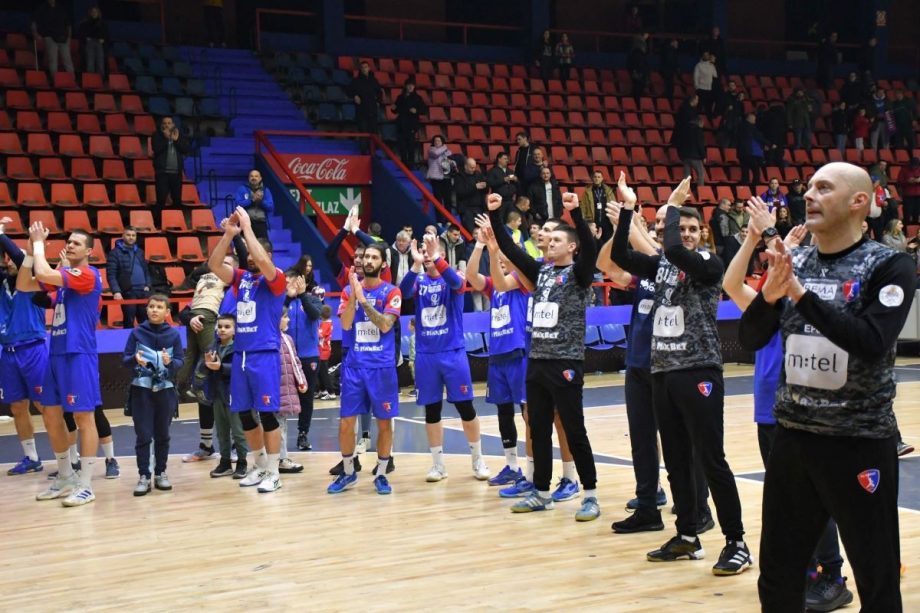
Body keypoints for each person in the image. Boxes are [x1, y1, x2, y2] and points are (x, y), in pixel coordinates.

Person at [739, 162, 916, 611]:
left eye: (824, 187)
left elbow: (871, 341)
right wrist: (772, 295)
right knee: (778, 576)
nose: (809, 195)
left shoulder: (889, 265)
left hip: (859, 441)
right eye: (810, 187)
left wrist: (799, 294)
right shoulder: (794, 260)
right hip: (793, 438)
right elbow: (751, 337)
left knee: (877, 578)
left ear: (859, 201)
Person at [611, 178, 752, 575]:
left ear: (702, 234)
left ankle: (737, 542)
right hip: (662, 372)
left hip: (699, 371)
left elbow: (673, 249)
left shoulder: (709, 264)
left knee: (711, 459)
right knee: (675, 461)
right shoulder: (661, 266)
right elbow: (620, 255)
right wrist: (628, 210)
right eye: (681, 227)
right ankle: (687, 536)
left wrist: (673, 206)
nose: (686, 233)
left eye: (693, 228)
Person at [724, 198, 854, 611]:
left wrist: (773, 238)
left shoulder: (805, 304)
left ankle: (833, 575)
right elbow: (731, 284)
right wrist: (751, 240)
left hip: (804, 410)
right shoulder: (767, 305)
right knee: (791, 501)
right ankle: (809, 571)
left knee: (818, 497)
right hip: (769, 411)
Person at [487, 192, 601, 521]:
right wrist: (495, 215)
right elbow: (510, 250)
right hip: (537, 361)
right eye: (548, 240)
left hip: (566, 362)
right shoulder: (541, 272)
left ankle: (590, 495)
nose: (549, 243)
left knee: (574, 430)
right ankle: (541, 492)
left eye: (557, 240)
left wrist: (574, 213)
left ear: (572, 247)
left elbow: (591, 248)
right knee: (538, 428)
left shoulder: (579, 274)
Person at [208, 207, 287, 494]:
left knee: (266, 415)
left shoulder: (276, 278)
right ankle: (260, 465)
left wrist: (248, 229)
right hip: (241, 354)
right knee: (243, 414)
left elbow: (262, 260)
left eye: (255, 254)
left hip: (264, 354)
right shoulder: (241, 278)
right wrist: (229, 235)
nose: (251, 258)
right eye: (249, 255)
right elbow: (214, 265)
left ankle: (275, 472)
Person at [399, 234, 490, 482]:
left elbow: (457, 284)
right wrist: (416, 264)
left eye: (431, 251)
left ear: (440, 253)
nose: (427, 254)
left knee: (465, 407)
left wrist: (437, 257)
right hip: (426, 356)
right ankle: (438, 465)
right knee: (432, 410)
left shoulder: (453, 277)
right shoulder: (419, 281)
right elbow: (403, 292)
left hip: (453, 354)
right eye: (424, 251)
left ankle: (478, 460)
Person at [23, 225, 103, 507]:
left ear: (89, 251)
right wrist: (30, 254)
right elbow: (26, 284)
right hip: (56, 353)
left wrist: (38, 244)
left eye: (76, 243)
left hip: (78, 353)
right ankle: (66, 476)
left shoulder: (88, 275)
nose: (70, 245)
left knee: (84, 418)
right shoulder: (66, 285)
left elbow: (45, 274)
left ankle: (86, 485)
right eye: (68, 242)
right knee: (50, 414)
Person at [328, 244, 401, 495]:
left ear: (383, 264)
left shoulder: (392, 291)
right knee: (346, 422)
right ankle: (349, 472)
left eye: (374, 257)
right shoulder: (348, 290)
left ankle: (381, 474)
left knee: (384, 424)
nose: (367, 260)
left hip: (381, 367)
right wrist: (354, 297)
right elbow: (346, 324)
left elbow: (385, 325)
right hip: (354, 367)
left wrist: (363, 301)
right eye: (365, 256)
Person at [465, 219, 529, 486]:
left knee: (528, 413)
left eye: (506, 258)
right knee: (504, 412)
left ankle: (534, 469)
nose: (501, 261)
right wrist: (480, 245)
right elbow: (471, 276)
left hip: (519, 354)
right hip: (498, 357)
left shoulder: (522, 280)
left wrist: (498, 247)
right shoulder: (495, 287)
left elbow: (511, 267)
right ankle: (511, 466)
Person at [0, 219, 48, 476]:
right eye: (6, 258)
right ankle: (31, 457)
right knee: (17, 406)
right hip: (8, 352)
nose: (10, 260)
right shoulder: (2, 284)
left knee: (44, 404)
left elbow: (20, 258)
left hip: (33, 349)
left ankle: (68, 457)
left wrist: (1, 234)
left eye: (12, 257)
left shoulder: (31, 279)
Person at [123, 295, 183, 496]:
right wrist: (135, 359)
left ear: (167, 312)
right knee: (143, 435)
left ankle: (160, 473)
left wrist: (169, 362)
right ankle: (144, 476)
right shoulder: (136, 333)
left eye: (159, 307)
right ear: (146, 310)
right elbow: (125, 360)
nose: (154, 310)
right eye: (151, 306)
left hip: (166, 391)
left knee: (163, 435)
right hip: (141, 391)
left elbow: (180, 362)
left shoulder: (173, 335)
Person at [203, 314, 249, 479]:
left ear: (235, 330)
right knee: (221, 431)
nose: (222, 329)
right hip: (217, 394)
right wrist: (207, 365)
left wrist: (221, 367)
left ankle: (242, 462)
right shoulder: (212, 346)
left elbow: (242, 367)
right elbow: (205, 368)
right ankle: (225, 462)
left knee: (238, 431)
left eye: (227, 327)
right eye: (220, 326)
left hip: (234, 394)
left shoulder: (240, 347)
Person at [284, 271, 322, 451]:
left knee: (306, 397)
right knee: (282, 394)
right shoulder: (281, 302)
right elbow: (275, 317)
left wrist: (301, 296)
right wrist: (287, 298)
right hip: (285, 355)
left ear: (303, 283)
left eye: (294, 282)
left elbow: (314, 315)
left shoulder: (313, 300)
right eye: (287, 283)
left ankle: (303, 433)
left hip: (308, 356)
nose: (290, 286)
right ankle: (279, 434)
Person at [278, 306, 306, 474]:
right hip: (270, 391)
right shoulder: (266, 339)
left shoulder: (288, 339)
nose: (288, 319)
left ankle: (281, 458)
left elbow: (295, 362)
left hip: (284, 390)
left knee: (281, 424)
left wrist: (301, 381)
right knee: (271, 425)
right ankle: (272, 459)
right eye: (285, 316)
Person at [107, 227, 151, 329]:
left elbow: (146, 270)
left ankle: (144, 339)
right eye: (128, 235)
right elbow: (111, 274)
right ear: (123, 236)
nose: (131, 237)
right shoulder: (114, 253)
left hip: (143, 291)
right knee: (129, 321)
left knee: (145, 321)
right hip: (128, 291)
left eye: (133, 235)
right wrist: (116, 291)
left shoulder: (140, 251)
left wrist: (148, 285)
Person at [151, 116, 189, 225]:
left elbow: (185, 149)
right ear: (161, 125)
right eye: (165, 123)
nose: (167, 125)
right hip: (162, 173)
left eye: (169, 123)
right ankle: (158, 224)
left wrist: (176, 140)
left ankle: (176, 224)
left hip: (176, 173)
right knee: (161, 200)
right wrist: (166, 138)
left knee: (177, 201)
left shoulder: (178, 135)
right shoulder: (157, 135)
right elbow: (156, 149)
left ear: (173, 124)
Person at [346, 60, 383, 146]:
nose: (364, 69)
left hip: (372, 110)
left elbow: (379, 92)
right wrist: (354, 96)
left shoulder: (374, 80)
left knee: (373, 131)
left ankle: (374, 150)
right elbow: (348, 91)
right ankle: (363, 150)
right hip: (361, 110)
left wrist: (378, 102)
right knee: (363, 131)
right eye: (362, 67)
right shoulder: (356, 81)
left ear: (369, 68)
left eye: (365, 67)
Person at [31, 0, 73, 74]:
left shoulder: (61, 8)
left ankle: (72, 78)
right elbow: (34, 21)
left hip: (63, 37)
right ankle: (55, 78)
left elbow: (68, 24)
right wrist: (36, 34)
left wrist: (69, 37)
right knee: (53, 60)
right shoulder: (42, 8)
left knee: (67, 60)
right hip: (50, 37)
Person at [391, 79, 427, 166]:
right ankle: (403, 163)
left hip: (411, 124)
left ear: (414, 87)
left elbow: (424, 110)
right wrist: (393, 109)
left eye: (412, 85)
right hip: (401, 124)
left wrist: (416, 111)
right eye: (409, 85)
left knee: (411, 145)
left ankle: (411, 164)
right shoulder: (400, 97)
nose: (410, 87)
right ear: (405, 86)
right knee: (402, 145)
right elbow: (395, 110)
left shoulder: (418, 98)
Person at [235, 170, 274, 241]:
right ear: (248, 178)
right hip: (245, 223)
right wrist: (252, 200)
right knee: (244, 245)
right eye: (251, 176)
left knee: (263, 246)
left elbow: (270, 207)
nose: (254, 178)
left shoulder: (265, 190)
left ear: (260, 178)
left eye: (256, 176)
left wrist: (261, 201)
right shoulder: (242, 189)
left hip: (260, 223)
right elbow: (238, 205)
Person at [580, 170, 617, 243]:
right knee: (594, 243)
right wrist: (585, 221)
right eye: (595, 177)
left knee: (607, 242)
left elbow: (614, 205)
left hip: (607, 222)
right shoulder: (587, 192)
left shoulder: (608, 191)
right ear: (592, 178)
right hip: (593, 222)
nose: (597, 179)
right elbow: (583, 207)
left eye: (599, 177)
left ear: (602, 178)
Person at [454, 158, 488, 234]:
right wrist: (475, 187)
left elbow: (485, 190)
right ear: (465, 166)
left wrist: (485, 186)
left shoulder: (478, 174)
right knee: (471, 231)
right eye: (471, 167)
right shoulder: (459, 176)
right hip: (466, 209)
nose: (473, 169)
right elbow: (460, 192)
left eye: (474, 167)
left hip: (478, 207)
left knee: (482, 230)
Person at [738, 113, 769, 188]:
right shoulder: (751, 127)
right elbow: (758, 137)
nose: (755, 121)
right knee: (756, 170)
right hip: (749, 153)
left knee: (745, 171)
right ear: (749, 118)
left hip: (741, 152)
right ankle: (755, 188)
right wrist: (769, 144)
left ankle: (744, 188)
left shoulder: (740, 126)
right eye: (754, 119)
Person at [426, 135, 455, 211]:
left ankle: (448, 217)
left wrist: (451, 162)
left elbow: (452, 161)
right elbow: (436, 153)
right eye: (435, 141)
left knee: (447, 199)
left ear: (442, 142)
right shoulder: (431, 150)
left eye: (439, 140)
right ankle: (439, 218)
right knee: (438, 200)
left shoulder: (447, 152)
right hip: (436, 178)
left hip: (446, 177)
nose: (437, 142)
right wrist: (444, 147)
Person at [676, 116, 706, 186]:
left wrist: (681, 155)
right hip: (695, 157)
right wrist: (703, 156)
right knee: (701, 174)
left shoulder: (684, 130)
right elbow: (700, 144)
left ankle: (685, 190)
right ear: (700, 122)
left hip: (685, 156)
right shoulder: (698, 131)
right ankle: (700, 190)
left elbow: (680, 143)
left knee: (686, 177)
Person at [77, 6, 107, 75]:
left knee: (100, 62)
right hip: (89, 43)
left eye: (95, 12)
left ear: (98, 13)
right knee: (90, 63)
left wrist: (103, 39)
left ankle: (100, 79)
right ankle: (91, 79)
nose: (94, 13)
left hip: (99, 43)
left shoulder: (102, 24)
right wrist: (86, 38)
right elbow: (81, 33)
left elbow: (106, 34)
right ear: (90, 13)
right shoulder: (85, 23)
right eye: (92, 12)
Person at [316, 305, 335, 399]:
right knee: (320, 372)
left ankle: (331, 392)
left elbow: (320, 335)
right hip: (322, 350)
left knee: (324, 373)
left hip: (323, 351)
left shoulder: (326, 324)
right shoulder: (326, 323)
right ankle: (323, 390)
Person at [693, 52, 718, 118]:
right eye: (705, 55)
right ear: (702, 56)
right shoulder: (698, 65)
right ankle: (696, 119)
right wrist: (697, 87)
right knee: (699, 106)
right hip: (700, 89)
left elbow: (715, 75)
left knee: (708, 107)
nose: (706, 56)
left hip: (709, 89)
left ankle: (708, 120)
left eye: (707, 55)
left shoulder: (711, 66)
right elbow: (695, 77)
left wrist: (713, 64)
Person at [897, 157, 920, 225]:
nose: (914, 167)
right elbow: (899, 182)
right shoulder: (904, 170)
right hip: (908, 195)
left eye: (916, 165)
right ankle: (906, 228)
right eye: (913, 165)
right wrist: (908, 181)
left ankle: (915, 229)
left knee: (917, 213)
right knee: (907, 214)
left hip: (918, 195)